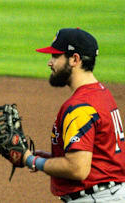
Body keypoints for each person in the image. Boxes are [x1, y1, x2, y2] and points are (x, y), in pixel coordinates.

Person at [22, 28, 125, 202]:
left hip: (96, 198)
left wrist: (32, 161)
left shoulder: (79, 106)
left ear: (74, 59)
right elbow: (97, 156)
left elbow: (77, 168)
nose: (50, 62)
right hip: (110, 194)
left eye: (55, 56)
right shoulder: (101, 94)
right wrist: (46, 157)